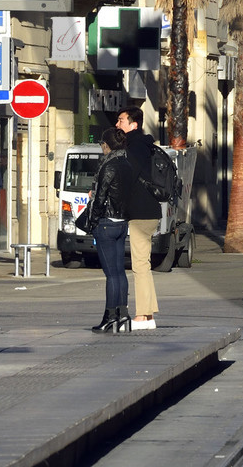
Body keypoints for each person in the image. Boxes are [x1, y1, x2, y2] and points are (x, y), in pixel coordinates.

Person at [84, 128, 137, 332]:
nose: (101, 149)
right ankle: (123, 314)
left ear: (106, 145)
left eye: (101, 145)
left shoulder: (109, 166)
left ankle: (110, 315)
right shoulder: (127, 164)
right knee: (120, 272)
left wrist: (93, 220)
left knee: (111, 274)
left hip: (106, 223)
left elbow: (100, 197)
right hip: (122, 222)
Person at [116, 106, 163, 330]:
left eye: (121, 120)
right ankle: (149, 315)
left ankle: (142, 316)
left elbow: (127, 177)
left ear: (133, 124)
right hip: (149, 211)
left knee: (140, 266)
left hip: (140, 212)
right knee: (143, 264)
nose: (118, 124)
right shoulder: (144, 145)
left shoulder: (133, 147)